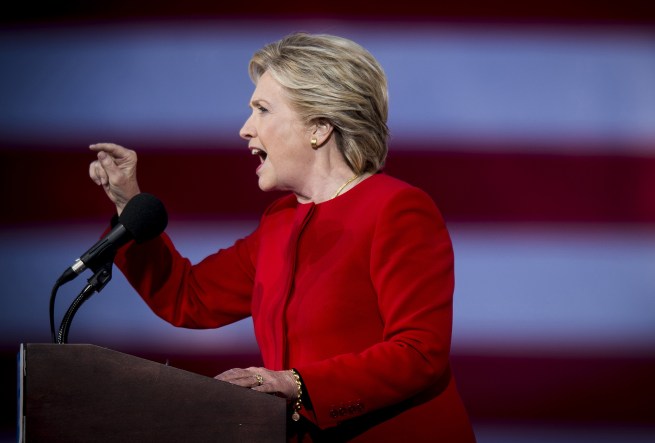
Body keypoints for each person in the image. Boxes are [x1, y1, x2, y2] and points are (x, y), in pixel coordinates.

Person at [88, 32, 476, 442]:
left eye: (262, 109)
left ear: (319, 127)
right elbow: (189, 298)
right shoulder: (280, 220)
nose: (245, 129)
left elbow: (419, 351)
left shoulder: (396, 208)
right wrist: (127, 203)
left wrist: (297, 383)